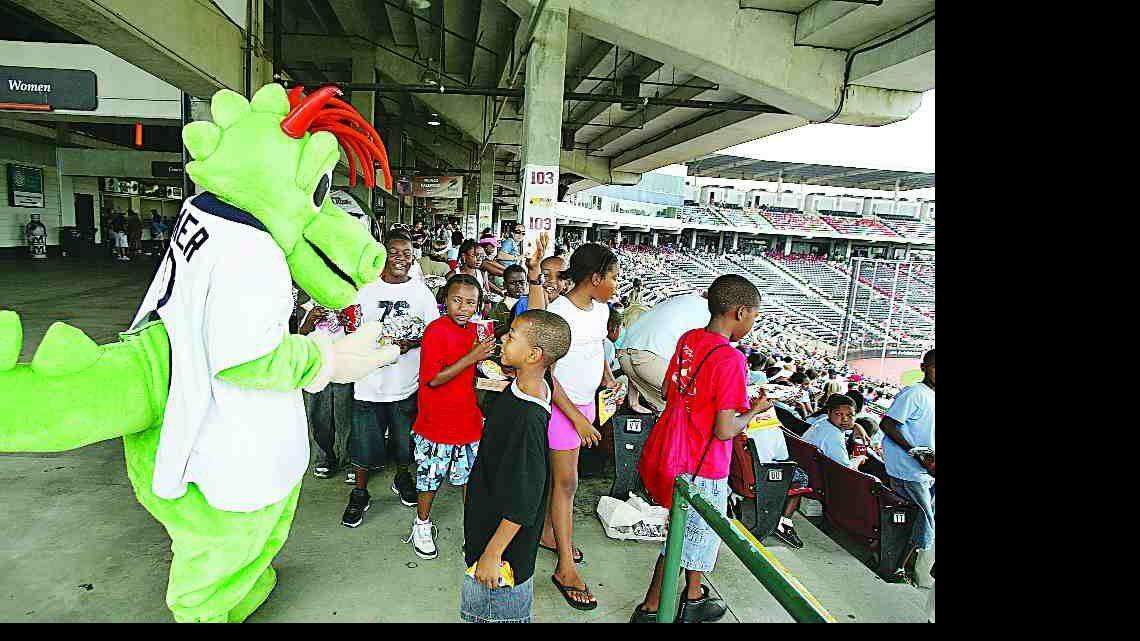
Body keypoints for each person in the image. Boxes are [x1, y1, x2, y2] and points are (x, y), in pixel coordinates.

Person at [630, 274, 771, 623]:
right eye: (754, 316)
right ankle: (650, 609)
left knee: (696, 536)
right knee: (685, 537)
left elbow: (667, 392)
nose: (753, 324)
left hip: (673, 451)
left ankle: (693, 598)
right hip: (705, 463)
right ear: (740, 312)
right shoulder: (731, 360)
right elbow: (725, 430)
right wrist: (755, 410)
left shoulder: (689, 339)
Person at [460, 310, 572, 623]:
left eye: (511, 337)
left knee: (489, 615)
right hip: (490, 532)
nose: (503, 340)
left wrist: (493, 553)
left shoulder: (526, 420)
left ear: (534, 355)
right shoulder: (533, 386)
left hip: (501, 556)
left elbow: (525, 499)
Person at [528, 243, 621, 611]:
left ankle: (550, 534)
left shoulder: (601, 309)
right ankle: (565, 568)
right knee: (568, 484)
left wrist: (608, 377)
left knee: (561, 480)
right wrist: (578, 418)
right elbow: (550, 373)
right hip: (561, 409)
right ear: (595, 278)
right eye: (612, 276)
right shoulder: (560, 312)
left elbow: (596, 350)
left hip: (584, 405)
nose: (616, 283)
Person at [341, 234, 440, 527]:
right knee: (363, 443)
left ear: (413, 257)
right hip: (368, 382)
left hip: (405, 382)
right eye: (393, 252)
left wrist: (412, 341)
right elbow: (351, 327)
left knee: (404, 440)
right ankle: (360, 492)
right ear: (381, 256)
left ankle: (402, 476)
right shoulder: (364, 289)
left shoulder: (421, 292)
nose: (400, 257)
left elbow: (431, 331)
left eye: (406, 253)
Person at [408, 274, 496, 559]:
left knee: (470, 479)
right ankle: (421, 523)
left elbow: (477, 370)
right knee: (429, 479)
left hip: (467, 418)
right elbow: (434, 379)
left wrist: (491, 363)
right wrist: (473, 357)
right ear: (445, 299)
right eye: (457, 300)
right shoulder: (436, 330)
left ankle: (473, 529)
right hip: (436, 422)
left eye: (471, 302)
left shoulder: (476, 331)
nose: (463, 307)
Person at [878, 349, 935, 584]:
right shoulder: (915, 393)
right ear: (923, 368)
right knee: (922, 520)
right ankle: (896, 568)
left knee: (916, 517)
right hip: (909, 470)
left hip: (921, 470)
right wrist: (917, 454)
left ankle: (900, 564)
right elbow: (888, 424)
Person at [616, 292, 711, 414]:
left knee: (666, 409)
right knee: (691, 408)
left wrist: (633, 401)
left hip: (624, 356)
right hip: (651, 360)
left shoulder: (681, 299)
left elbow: (638, 347)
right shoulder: (709, 312)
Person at [296, 298, 354, 480]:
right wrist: (310, 319)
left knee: (346, 416)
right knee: (318, 416)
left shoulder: (350, 299)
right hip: (317, 368)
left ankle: (349, 459)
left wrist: (348, 321)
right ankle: (324, 458)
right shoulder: (306, 303)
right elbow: (299, 335)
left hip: (343, 366)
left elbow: (359, 331)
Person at [801, 395, 865, 469]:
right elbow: (848, 470)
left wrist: (856, 425)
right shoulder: (834, 436)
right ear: (829, 413)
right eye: (838, 414)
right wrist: (859, 458)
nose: (845, 419)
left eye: (850, 415)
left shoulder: (824, 421)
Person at [490, 264, 527, 336]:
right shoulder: (498, 308)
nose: (518, 286)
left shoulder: (530, 301)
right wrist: (510, 324)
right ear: (504, 285)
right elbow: (493, 333)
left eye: (522, 282)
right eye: (513, 283)